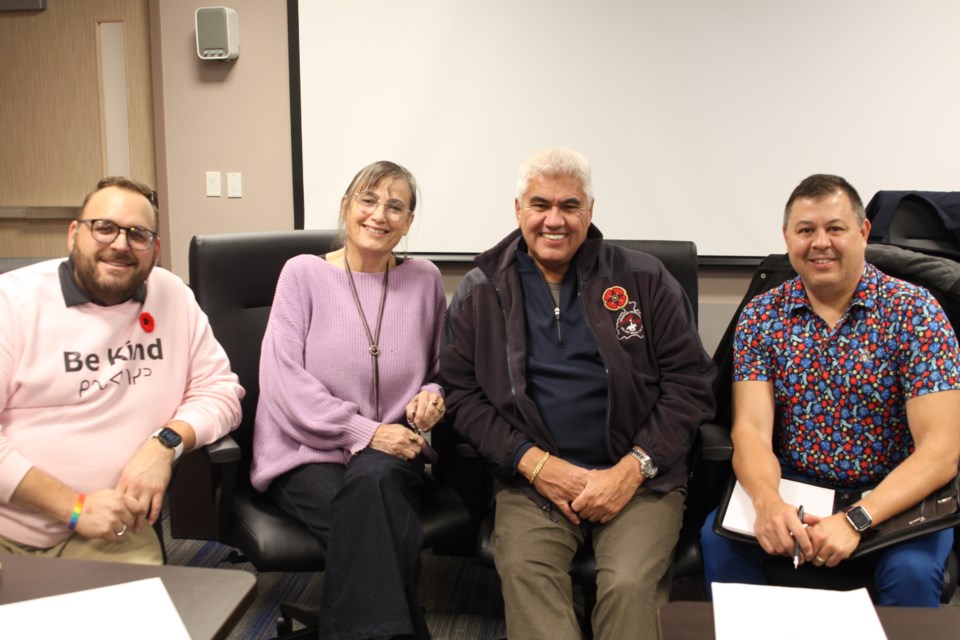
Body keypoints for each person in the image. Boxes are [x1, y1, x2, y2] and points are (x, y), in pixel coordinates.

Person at [440, 147, 716, 640]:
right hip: (532, 482)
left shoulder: (644, 278)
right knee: (528, 574)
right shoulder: (482, 290)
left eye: (570, 206)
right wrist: (534, 464)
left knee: (630, 586)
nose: (554, 220)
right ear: (518, 209)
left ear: (590, 211)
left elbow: (690, 384)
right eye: (540, 204)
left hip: (639, 479)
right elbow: (461, 396)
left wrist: (632, 469)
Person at [700, 174, 960, 607]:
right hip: (795, 485)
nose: (820, 242)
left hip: (893, 490)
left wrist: (856, 519)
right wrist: (767, 505)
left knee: (911, 573)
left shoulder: (917, 313)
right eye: (805, 230)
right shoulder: (761, 315)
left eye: (835, 228)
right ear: (787, 237)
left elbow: (941, 450)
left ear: (862, 232)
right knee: (719, 543)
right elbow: (750, 431)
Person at [0, 177, 243, 565]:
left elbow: (220, 392)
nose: (120, 244)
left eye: (138, 234)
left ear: (155, 249)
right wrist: (74, 507)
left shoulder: (173, 296)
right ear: (74, 234)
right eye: (105, 227)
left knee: (141, 621)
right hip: (9, 528)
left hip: (114, 529)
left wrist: (165, 443)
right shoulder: (12, 302)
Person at [250, 161, 446, 640]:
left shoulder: (425, 280)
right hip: (304, 453)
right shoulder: (303, 274)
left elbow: (443, 371)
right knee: (373, 530)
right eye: (368, 200)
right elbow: (282, 380)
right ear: (346, 207)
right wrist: (366, 432)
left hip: (393, 451)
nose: (380, 215)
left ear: (408, 223)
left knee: (371, 496)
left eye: (395, 206)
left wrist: (432, 395)